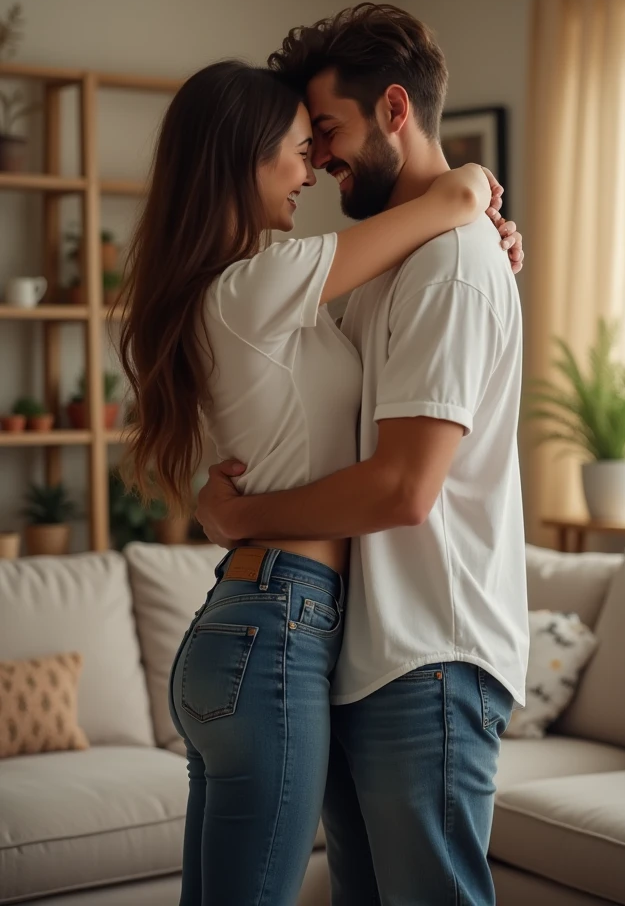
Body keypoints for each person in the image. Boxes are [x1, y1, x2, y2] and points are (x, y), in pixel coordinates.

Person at [117, 56, 520, 906]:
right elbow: (449, 198)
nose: (314, 169)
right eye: (301, 149)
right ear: (244, 156)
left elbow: (437, 250)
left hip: (255, 620)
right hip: (279, 626)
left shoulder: (260, 292)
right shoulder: (265, 281)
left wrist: (489, 239)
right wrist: (476, 190)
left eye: (319, 142)